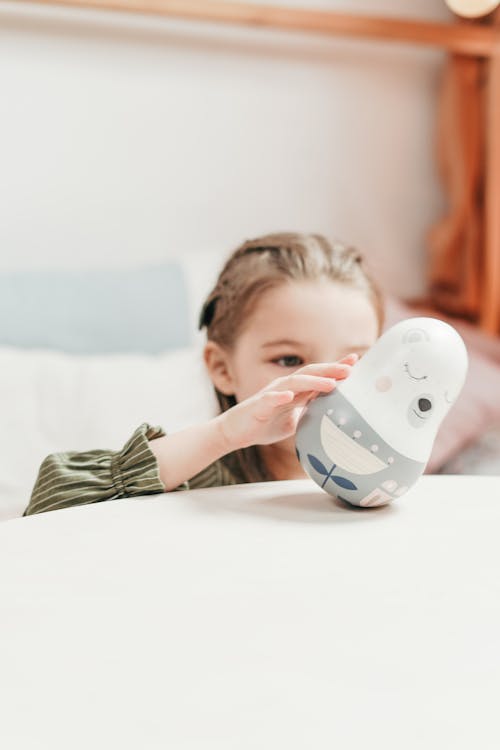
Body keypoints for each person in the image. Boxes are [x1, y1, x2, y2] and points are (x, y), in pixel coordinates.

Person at [24, 233, 383, 516]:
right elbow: (51, 505)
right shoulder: (205, 484)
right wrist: (222, 435)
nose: (326, 384)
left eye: (356, 362)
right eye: (289, 360)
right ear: (223, 369)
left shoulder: (384, 477)